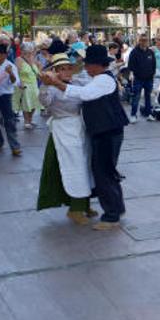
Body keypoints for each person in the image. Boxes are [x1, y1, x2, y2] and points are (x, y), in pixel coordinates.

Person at [40, 44, 129, 230]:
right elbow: (74, 88)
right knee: (103, 171)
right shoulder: (94, 78)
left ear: (97, 65)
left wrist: (56, 83)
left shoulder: (103, 81)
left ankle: (111, 216)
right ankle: (114, 210)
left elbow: (85, 94)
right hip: (95, 132)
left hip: (107, 132)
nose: (85, 68)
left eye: (88, 64)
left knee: (104, 173)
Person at [37, 53, 97, 225]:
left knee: (84, 165)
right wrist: (44, 85)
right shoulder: (52, 88)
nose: (67, 71)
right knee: (73, 167)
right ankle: (75, 209)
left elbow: (91, 89)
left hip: (80, 128)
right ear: (55, 71)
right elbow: (45, 102)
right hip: (63, 131)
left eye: (69, 68)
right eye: (62, 69)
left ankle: (83, 204)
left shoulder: (77, 82)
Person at [13, 42, 42, 129]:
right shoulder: (19, 59)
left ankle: (30, 119)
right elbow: (16, 72)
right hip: (25, 84)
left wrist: (40, 71)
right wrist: (19, 82)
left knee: (34, 103)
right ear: (22, 51)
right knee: (26, 104)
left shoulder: (33, 59)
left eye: (31, 51)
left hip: (34, 84)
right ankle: (26, 121)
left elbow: (38, 70)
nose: (30, 53)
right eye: (27, 52)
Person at [128, 34, 156, 123]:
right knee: (136, 97)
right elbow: (131, 65)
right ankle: (133, 115)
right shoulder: (134, 52)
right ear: (139, 41)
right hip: (138, 79)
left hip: (149, 79)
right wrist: (132, 75)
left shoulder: (150, 52)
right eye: (142, 40)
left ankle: (148, 114)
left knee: (148, 97)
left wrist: (153, 74)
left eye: (146, 40)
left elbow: (153, 65)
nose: (144, 42)